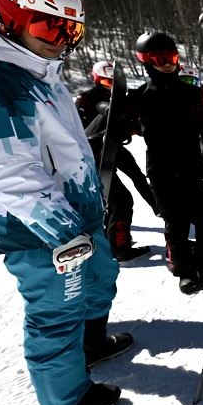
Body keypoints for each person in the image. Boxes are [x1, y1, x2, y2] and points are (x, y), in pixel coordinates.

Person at [0, 0, 132, 405]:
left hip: (75, 213)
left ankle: (92, 343)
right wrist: (63, 228)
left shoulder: (40, 69)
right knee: (56, 309)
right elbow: (10, 172)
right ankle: (65, 399)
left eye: (73, 30)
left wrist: (89, 206)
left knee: (99, 279)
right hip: (38, 227)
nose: (62, 39)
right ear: (9, 15)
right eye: (50, 24)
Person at [125, 32, 203, 294]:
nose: (168, 63)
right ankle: (185, 272)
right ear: (146, 61)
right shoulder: (139, 98)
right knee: (175, 224)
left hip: (192, 167)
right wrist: (107, 112)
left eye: (172, 57)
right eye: (160, 58)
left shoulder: (193, 94)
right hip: (161, 172)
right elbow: (123, 128)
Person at [74, 61, 157, 261]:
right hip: (93, 151)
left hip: (113, 146)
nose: (109, 85)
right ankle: (119, 248)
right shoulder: (86, 99)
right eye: (105, 80)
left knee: (138, 177)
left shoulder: (122, 99)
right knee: (120, 200)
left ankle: (158, 208)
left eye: (112, 81)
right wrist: (107, 110)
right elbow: (80, 127)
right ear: (96, 79)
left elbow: (130, 123)